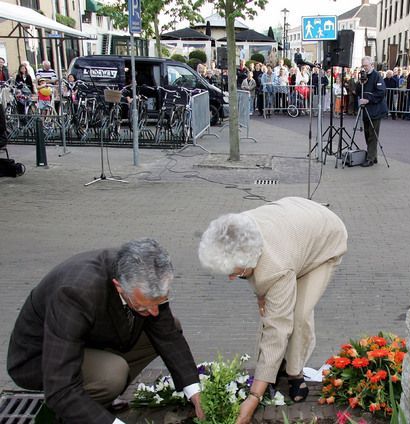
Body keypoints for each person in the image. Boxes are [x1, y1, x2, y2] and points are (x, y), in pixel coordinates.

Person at [7, 238, 204, 423]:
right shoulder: (75, 293)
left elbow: (168, 334)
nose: (154, 312)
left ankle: (94, 401)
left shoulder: (143, 273)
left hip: (88, 340)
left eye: (159, 302)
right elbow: (61, 385)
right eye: (143, 307)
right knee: (112, 374)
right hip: (40, 358)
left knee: (169, 326)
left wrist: (195, 393)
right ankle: (72, 411)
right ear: (120, 287)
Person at [198, 197, 348, 424]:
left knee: (298, 316)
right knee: (272, 307)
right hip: (294, 227)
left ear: (249, 260)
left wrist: (253, 397)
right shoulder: (237, 229)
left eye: (234, 272)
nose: (230, 277)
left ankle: (294, 373)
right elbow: (258, 278)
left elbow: (277, 328)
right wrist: (261, 295)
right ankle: (270, 368)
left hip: (325, 239)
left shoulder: (275, 266)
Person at [358, 56, 387, 167]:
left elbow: (381, 92)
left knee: (372, 135)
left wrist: (368, 99)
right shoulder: (363, 76)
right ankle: (373, 156)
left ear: (371, 65)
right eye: (363, 66)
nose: (364, 68)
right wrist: (360, 83)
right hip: (366, 110)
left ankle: (370, 158)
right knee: (367, 133)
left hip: (375, 110)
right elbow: (357, 91)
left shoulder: (376, 76)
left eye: (366, 66)